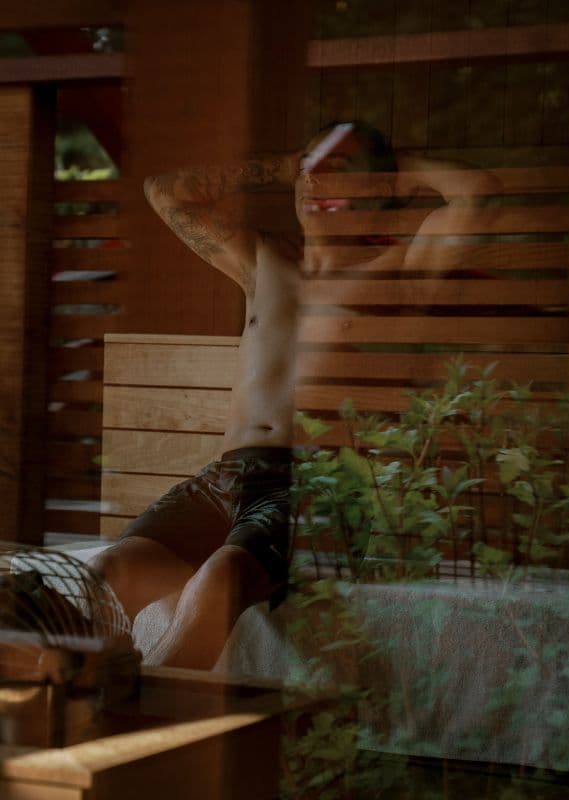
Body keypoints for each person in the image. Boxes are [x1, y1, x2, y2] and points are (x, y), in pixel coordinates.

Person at [91, 121, 499, 668]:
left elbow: (480, 195)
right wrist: (290, 163)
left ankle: (144, 731)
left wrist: (398, 167)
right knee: (106, 574)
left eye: (340, 166)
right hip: (224, 481)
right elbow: (165, 192)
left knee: (217, 581)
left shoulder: (399, 272)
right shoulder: (263, 261)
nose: (317, 177)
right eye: (310, 166)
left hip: (317, 486)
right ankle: (76, 703)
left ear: (379, 189)